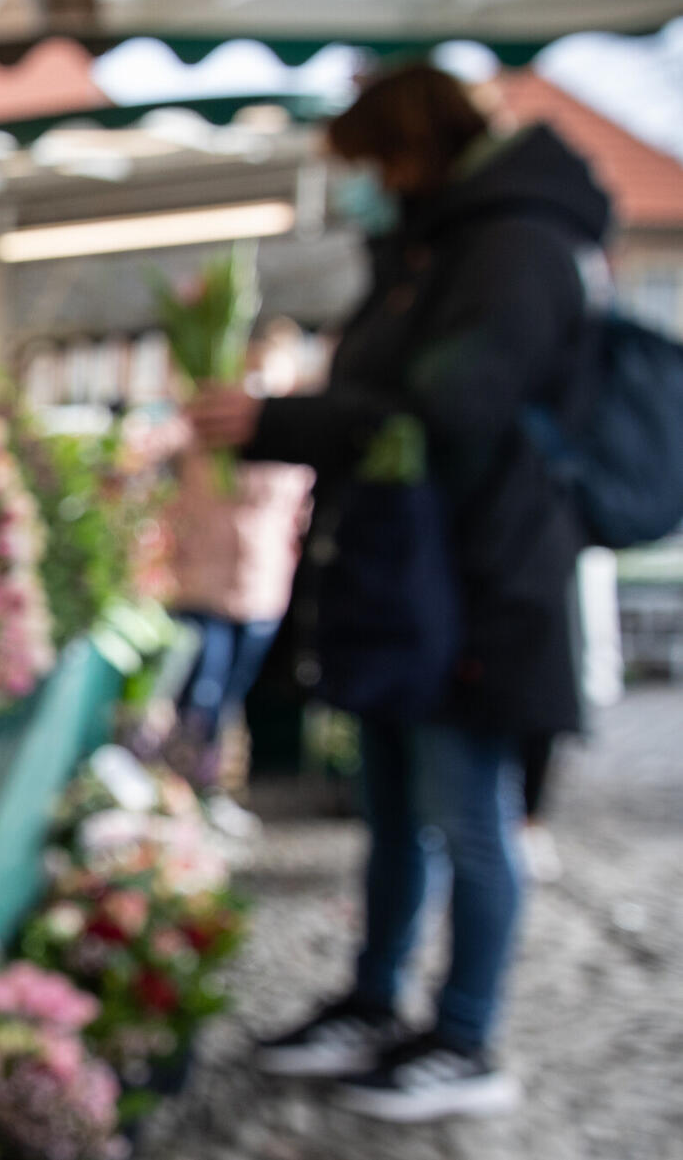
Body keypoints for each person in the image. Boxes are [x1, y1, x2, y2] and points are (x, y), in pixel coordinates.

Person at [187, 63, 603, 1123]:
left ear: (413, 147)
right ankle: (373, 1002)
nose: (365, 187)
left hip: (473, 586)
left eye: (371, 163)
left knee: (468, 816)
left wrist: (280, 421)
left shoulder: (513, 244)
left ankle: (464, 1035)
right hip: (400, 580)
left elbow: (442, 407)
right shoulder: (440, 242)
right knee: (392, 814)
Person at [160, 322, 314, 828]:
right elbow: (156, 444)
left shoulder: (292, 444)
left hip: (263, 589)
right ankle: (182, 795)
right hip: (199, 586)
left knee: (228, 697)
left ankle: (208, 792)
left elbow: (297, 512)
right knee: (199, 695)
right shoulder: (204, 433)